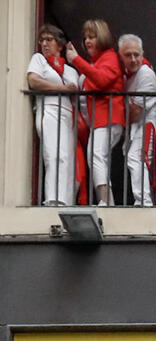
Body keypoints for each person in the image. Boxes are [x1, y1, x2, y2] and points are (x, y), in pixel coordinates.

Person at [66, 19, 124, 206]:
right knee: (96, 155)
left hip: (108, 117)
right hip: (101, 119)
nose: (87, 41)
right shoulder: (99, 60)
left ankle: (105, 201)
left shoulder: (110, 57)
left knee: (96, 154)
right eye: (86, 38)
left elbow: (100, 80)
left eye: (92, 37)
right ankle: (108, 202)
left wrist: (76, 60)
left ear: (102, 37)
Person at [26, 24, 79, 206]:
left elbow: (77, 90)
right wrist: (62, 88)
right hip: (49, 109)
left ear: (60, 44)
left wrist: (77, 59)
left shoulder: (70, 69)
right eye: (42, 40)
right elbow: (34, 81)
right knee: (53, 154)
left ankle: (66, 200)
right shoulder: (39, 60)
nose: (44, 44)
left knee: (67, 157)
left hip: (68, 115)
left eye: (49, 40)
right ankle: (53, 198)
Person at [118, 34, 156, 206]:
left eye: (136, 54)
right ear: (120, 56)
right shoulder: (127, 76)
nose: (133, 59)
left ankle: (144, 202)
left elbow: (136, 113)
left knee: (136, 158)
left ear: (143, 54)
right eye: (128, 55)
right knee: (132, 158)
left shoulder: (145, 73)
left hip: (146, 125)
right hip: (135, 127)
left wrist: (124, 110)